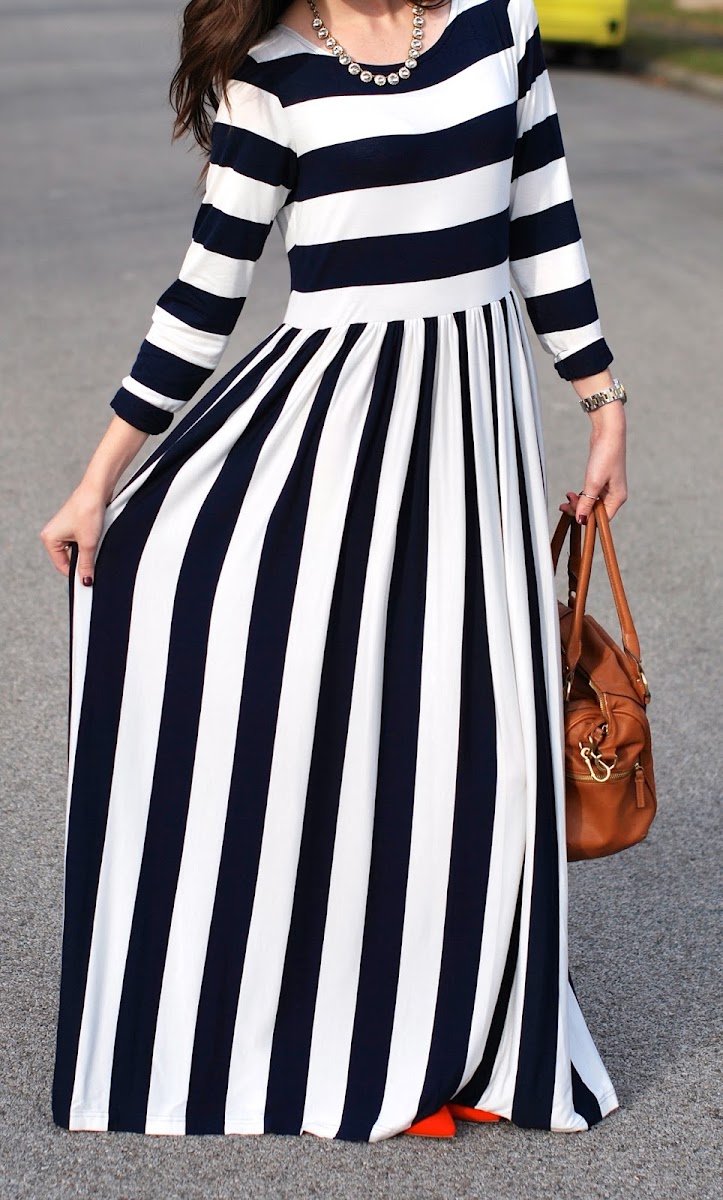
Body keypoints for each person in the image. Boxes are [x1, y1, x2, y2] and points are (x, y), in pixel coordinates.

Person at [41, 0, 626, 1141]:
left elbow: (544, 224)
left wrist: (601, 401)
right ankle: (345, 1035)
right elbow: (207, 290)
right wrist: (98, 480)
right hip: (332, 433)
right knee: (342, 731)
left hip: (474, 436)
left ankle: (459, 1038)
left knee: (471, 739)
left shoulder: (499, 24)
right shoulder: (267, 68)